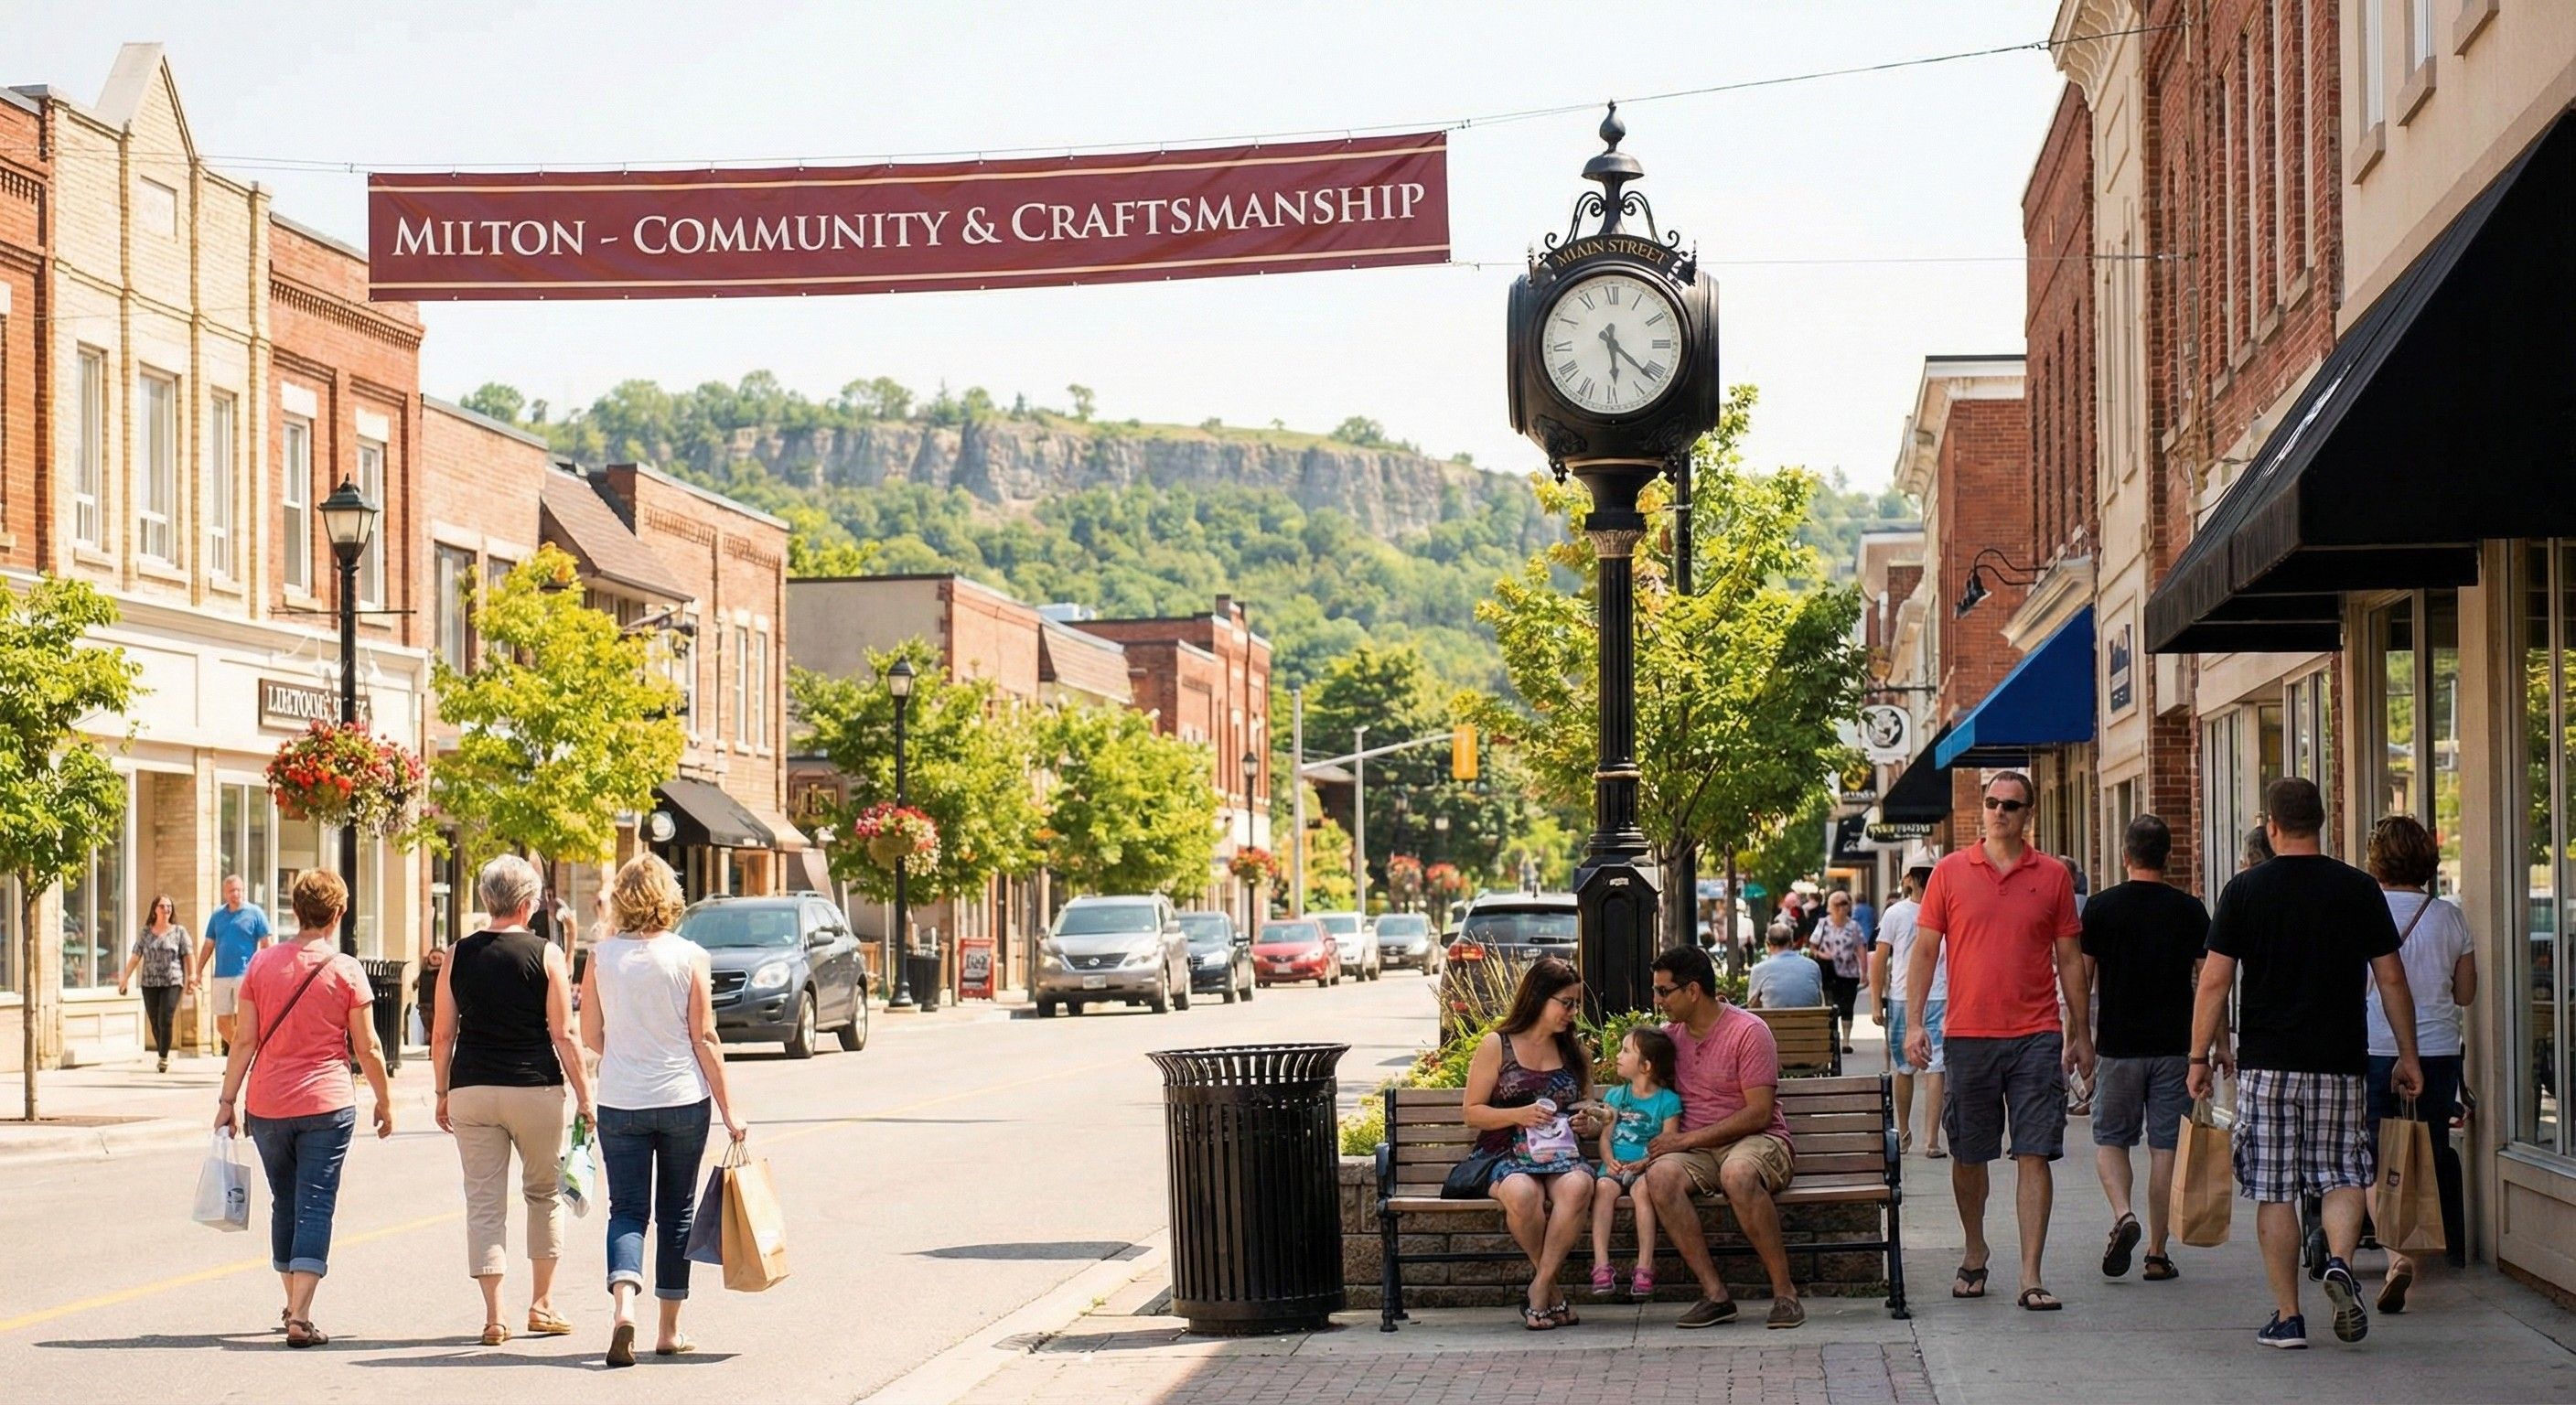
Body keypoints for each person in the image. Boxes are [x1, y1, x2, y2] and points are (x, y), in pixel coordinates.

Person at [2188, 778, 2423, 1350]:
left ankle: (2289, 1316)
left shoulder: (2244, 890)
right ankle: (2340, 1261)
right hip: (2341, 1061)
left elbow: (2215, 980)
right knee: (2343, 1172)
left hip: (2269, 1065)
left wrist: (2198, 1056)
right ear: (2322, 823)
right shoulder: (2358, 888)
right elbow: (2391, 979)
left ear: (2270, 825)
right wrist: (2409, 1055)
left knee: (2275, 1190)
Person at [1906, 770, 2088, 1312]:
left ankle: (2031, 1274)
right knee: (1970, 1153)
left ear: (2028, 813)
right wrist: (1915, 1023)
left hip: (2036, 1034)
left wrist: (2080, 1033)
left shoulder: (2053, 876)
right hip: (1968, 1035)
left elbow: (2071, 960)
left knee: (2035, 1152)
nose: (2001, 812)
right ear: (1982, 810)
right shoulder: (1950, 873)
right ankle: (1975, 1248)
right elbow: (1923, 952)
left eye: (2012, 804)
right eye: (1992, 803)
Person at [213, 870, 393, 1349]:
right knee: (315, 1202)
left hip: (268, 1103)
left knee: (285, 1202)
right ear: (338, 915)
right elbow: (369, 1045)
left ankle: (293, 1302)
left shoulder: (261, 966)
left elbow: (244, 1040)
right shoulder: (346, 970)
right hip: (327, 1102)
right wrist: (384, 1099)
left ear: (296, 911)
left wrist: (227, 1100)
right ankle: (301, 1312)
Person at [581, 854, 747, 1367]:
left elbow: (589, 1035)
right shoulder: (690, 956)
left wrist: (627, 1057)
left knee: (627, 1211)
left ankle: (623, 1310)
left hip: (620, 1100)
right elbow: (704, 1037)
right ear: (667, 898)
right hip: (681, 1099)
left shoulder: (600, 957)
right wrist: (730, 1110)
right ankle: (669, 1331)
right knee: (676, 1215)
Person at [435, 853, 597, 1346]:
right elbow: (564, 1033)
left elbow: (442, 1033)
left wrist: (442, 1092)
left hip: (472, 1088)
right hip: (535, 1088)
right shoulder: (545, 954)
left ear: (487, 900)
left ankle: (494, 1316)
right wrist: (586, 1098)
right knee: (543, 1195)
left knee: (483, 1201)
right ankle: (542, 1304)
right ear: (528, 904)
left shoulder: (457, 953)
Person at [1639, 945, 1804, 1329]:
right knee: (1660, 1177)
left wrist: (1683, 1141)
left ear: (1693, 991)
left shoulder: (1749, 1032)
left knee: (1738, 1174)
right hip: (1699, 1150)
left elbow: (1759, 1113)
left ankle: (1785, 1294)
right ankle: (1715, 1296)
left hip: (1758, 1140)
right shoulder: (1670, 1038)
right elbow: (1646, 1098)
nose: (1657, 1000)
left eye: (1664, 991)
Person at [2081, 815, 2211, 1284]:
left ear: (2125, 855)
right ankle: (2157, 1252)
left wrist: (2077, 1035)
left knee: (2111, 1140)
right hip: (2175, 1046)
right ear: (2168, 856)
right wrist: (2216, 1046)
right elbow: (2211, 981)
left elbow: (2082, 978)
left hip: (2117, 1046)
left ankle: (2122, 1214)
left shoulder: (2100, 908)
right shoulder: (2190, 910)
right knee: (2164, 1150)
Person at [2360, 814, 2475, 1314]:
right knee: (2423, 1151)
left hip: (2377, 1047)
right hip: (2438, 1050)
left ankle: (2394, 1253)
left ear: (2377, 861)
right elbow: (2466, 993)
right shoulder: (2450, 917)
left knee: (2374, 1155)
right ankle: (2420, 1246)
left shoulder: (2364, 910)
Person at [1460, 956, 1596, 1330]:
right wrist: (1518, 1115)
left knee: (1579, 1185)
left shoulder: (1574, 1051)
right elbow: (1472, 1112)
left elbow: (1587, 1105)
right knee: (1522, 1195)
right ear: (1538, 998)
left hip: (1559, 1153)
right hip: (1505, 1151)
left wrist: (1588, 1121)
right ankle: (1551, 1291)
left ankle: (1538, 1289)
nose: (1572, 1012)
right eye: (1566, 1003)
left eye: (1576, 1004)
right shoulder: (1497, 1044)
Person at [1587, 1025, 1682, 1299]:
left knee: (1643, 1191)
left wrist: (1643, 1163)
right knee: (1603, 1189)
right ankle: (1601, 1264)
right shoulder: (1616, 1097)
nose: (1618, 1054)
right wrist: (1609, 1160)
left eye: (1626, 1051)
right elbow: (1606, 1136)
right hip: (1615, 1166)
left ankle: (1644, 1266)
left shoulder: (1668, 1101)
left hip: (1646, 1169)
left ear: (1646, 1066)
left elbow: (1669, 1143)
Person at [1871, 852, 1946, 1157]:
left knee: (1905, 1068)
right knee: (1936, 1067)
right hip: (1940, 993)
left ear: (1908, 879)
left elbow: (1879, 960)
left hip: (1905, 996)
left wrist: (1877, 1001)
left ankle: (1904, 1133)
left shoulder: (1895, 913)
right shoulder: (1947, 910)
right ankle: (1932, 1140)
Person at [195, 875, 274, 1055]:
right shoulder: (217, 916)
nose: (235, 894)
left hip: (245, 975)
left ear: (244, 891)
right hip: (221, 975)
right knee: (222, 1024)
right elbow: (208, 945)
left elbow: (267, 945)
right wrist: (198, 972)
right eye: (231, 891)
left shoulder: (255, 913)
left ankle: (241, 1057)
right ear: (225, 893)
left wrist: (266, 971)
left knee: (245, 1021)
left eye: (239, 890)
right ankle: (243, 1053)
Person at [118, 895, 195, 1072]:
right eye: (162, 906)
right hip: (149, 982)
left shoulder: (179, 932)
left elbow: (188, 954)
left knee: (165, 1018)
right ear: (155, 909)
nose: (166, 909)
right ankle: (163, 1049)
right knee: (154, 1020)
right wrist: (125, 977)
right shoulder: (145, 932)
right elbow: (136, 956)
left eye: (169, 906)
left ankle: (163, 1056)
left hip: (172, 981)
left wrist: (192, 976)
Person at [1811, 892, 1866, 1055]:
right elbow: (1813, 947)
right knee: (1830, 1006)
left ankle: (1846, 1041)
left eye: (1845, 904)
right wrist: (1822, 955)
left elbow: (1860, 948)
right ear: (1830, 907)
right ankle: (1832, 1038)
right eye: (1837, 904)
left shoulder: (1854, 926)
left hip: (1849, 973)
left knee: (1848, 1006)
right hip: (1829, 973)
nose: (1841, 908)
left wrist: (1865, 972)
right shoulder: (1823, 924)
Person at [1746, 925, 1825, 1010]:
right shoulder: (1813, 966)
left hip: (1773, 1022)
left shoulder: (1759, 969)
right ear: (1791, 943)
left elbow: (1751, 1005)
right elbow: (1819, 1001)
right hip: (1811, 1022)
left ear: (1768, 945)